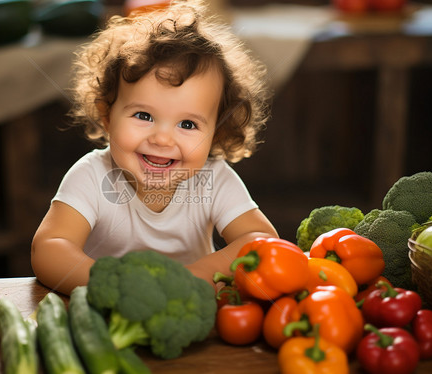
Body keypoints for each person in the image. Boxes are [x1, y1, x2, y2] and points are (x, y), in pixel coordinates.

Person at [31, 0, 278, 295]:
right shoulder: (91, 176)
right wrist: (116, 286)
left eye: (187, 124)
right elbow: (48, 249)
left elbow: (261, 240)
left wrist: (197, 275)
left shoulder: (216, 179)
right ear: (107, 116)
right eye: (143, 116)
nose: (162, 139)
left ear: (216, 133)